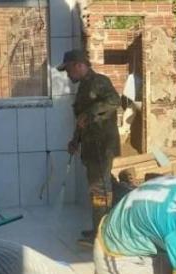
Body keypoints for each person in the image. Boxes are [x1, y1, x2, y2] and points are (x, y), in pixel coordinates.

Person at [59, 49, 120, 245]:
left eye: (68, 69)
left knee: (101, 189)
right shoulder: (84, 87)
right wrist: (75, 141)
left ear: (78, 65)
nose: (68, 75)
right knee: (97, 190)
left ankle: (103, 235)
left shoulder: (99, 82)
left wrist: (91, 113)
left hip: (102, 145)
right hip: (91, 146)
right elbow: (82, 119)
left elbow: (114, 101)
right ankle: (98, 229)